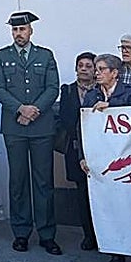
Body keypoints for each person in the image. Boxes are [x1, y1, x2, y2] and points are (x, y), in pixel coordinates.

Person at [0, 11, 61, 256]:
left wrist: (34, 110)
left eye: (22, 29)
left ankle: (46, 233)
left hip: (41, 126)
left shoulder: (45, 55)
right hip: (14, 127)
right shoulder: (2, 56)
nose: (18, 34)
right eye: (14, 30)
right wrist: (21, 109)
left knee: (43, 181)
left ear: (30, 31)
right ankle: (21, 232)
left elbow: (53, 87)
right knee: (18, 181)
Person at [83, 53, 131, 262]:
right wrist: (84, 156)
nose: (97, 73)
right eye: (97, 69)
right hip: (105, 160)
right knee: (114, 207)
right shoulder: (91, 94)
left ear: (115, 73)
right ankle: (117, 253)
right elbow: (81, 126)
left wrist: (111, 106)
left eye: (102, 69)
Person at [56, 52, 97, 251]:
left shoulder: (102, 90)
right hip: (76, 147)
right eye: (80, 65)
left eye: (88, 66)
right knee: (82, 193)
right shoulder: (69, 90)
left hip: (101, 148)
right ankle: (88, 234)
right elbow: (65, 116)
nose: (84, 69)